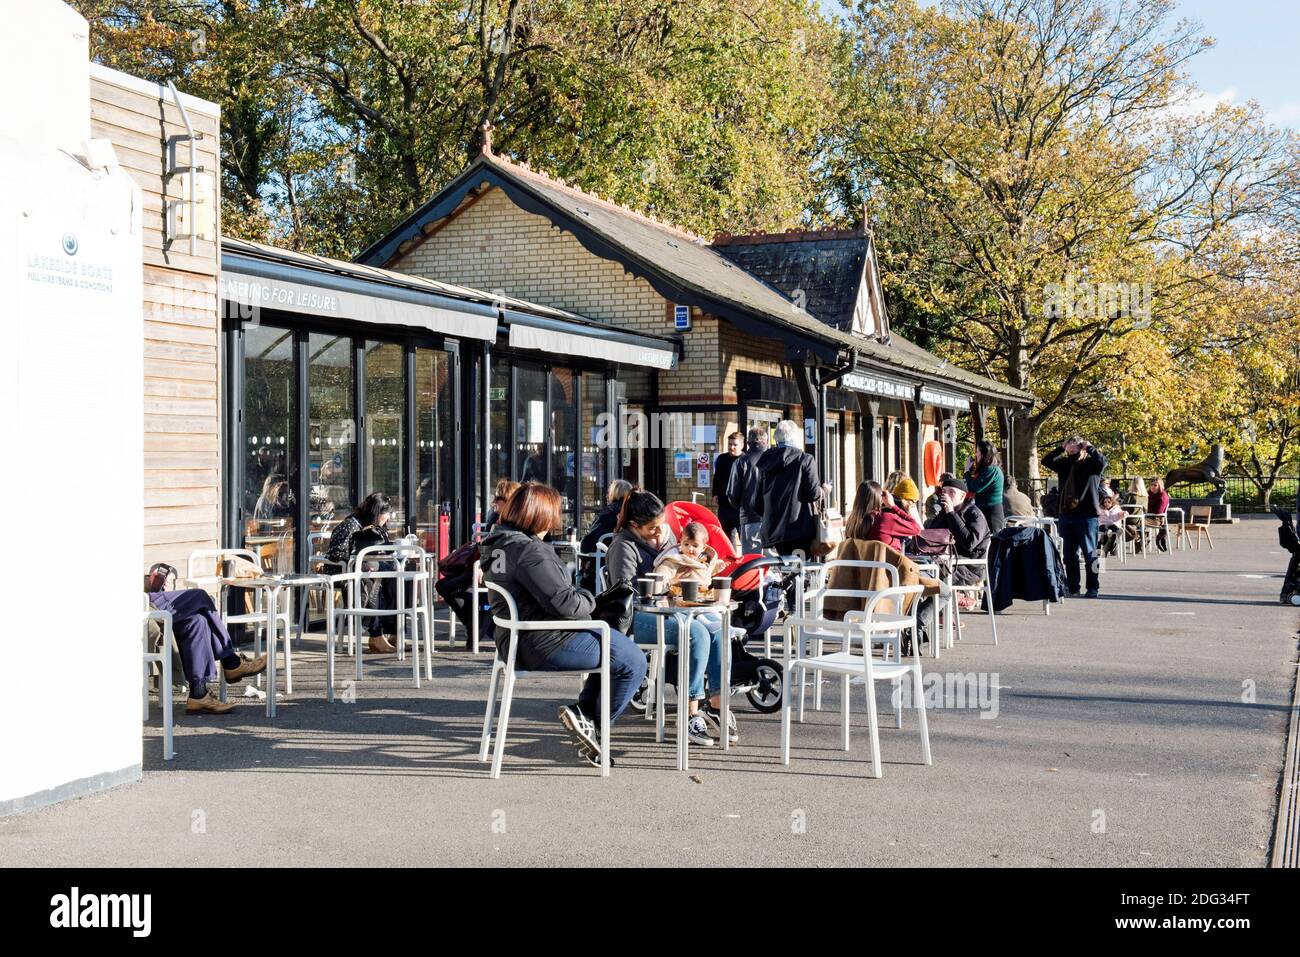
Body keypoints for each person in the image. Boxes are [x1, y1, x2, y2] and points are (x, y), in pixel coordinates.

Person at [480, 483, 646, 768]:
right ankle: (592, 723)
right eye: (553, 514)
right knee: (633, 661)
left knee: (615, 649)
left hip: (515, 639)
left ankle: (584, 716)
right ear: (540, 516)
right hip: (545, 640)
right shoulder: (529, 551)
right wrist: (591, 600)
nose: (556, 521)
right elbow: (566, 603)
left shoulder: (497, 545)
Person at [605, 490, 736, 746]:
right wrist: (671, 581)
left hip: (677, 610)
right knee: (695, 632)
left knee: (718, 630)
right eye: (652, 528)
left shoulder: (669, 540)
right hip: (637, 617)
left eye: (661, 524)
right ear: (634, 525)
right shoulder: (622, 546)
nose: (659, 532)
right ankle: (690, 713)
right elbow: (627, 592)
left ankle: (717, 705)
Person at [146, 566, 268, 714]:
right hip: (145, 604)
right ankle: (231, 662)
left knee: (197, 621)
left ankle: (198, 695)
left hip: (154, 606)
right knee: (201, 596)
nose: (165, 584)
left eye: (170, 581)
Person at [325, 492, 398, 653]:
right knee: (377, 579)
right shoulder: (351, 525)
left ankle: (394, 632)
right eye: (386, 514)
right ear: (376, 512)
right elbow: (334, 554)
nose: (388, 518)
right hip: (342, 572)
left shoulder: (373, 526)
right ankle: (376, 636)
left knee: (398, 577)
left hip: (363, 569)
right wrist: (360, 564)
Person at [1042, 435, 1108, 597]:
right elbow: (1046, 461)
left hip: (1087, 515)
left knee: (1091, 553)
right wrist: (1061, 448)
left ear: (1082, 449)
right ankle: (1073, 587)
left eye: (1075, 449)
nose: (1072, 453)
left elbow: (1103, 462)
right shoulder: (1065, 463)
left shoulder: (1091, 464)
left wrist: (1090, 447)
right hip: (1067, 513)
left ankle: (1093, 587)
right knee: (1069, 555)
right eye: (1069, 450)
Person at [756, 419, 828, 557]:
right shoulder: (805, 459)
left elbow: (757, 501)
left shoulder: (765, 461)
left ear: (776, 438)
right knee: (799, 571)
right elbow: (813, 494)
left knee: (786, 570)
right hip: (800, 528)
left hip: (774, 529)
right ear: (796, 437)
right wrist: (824, 490)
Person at [925, 478, 991, 605]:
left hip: (970, 566)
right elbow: (932, 536)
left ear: (962, 496)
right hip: (948, 560)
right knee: (919, 569)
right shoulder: (944, 512)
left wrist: (951, 513)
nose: (946, 495)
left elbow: (969, 543)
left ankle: (933, 615)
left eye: (951, 492)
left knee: (934, 572)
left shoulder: (974, 514)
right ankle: (939, 611)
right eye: (944, 491)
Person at [844, 480, 924, 552]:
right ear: (879, 498)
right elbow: (916, 529)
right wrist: (893, 506)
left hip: (861, 568)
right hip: (888, 567)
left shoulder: (851, 523)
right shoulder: (885, 519)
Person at [727, 427, 769, 553]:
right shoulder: (776, 459)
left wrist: (742, 508)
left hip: (750, 517)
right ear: (765, 441)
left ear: (748, 443)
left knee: (752, 562)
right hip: (774, 519)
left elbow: (732, 494)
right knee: (773, 563)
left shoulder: (741, 462)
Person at [964, 440, 1006, 533]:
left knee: (992, 541)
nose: (976, 454)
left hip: (991, 513)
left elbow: (974, 487)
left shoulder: (992, 470)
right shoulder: (989, 469)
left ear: (984, 454)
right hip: (986, 509)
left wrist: (966, 471)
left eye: (978, 451)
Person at [712, 431, 744, 537]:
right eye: (730, 444)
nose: (732, 447)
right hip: (724, 506)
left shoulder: (745, 460)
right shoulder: (721, 459)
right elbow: (716, 478)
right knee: (725, 537)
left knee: (743, 537)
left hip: (739, 507)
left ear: (742, 445)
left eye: (735, 445)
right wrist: (715, 494)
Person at [1146, 477, 1170, 551]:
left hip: (1157, 519)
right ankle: (1142, 539)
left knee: (1137, 522)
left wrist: (1146, 510)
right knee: (1134, 520)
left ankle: (1143, 540)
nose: (1153, 486)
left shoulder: (1162, 495)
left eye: (1155, 485)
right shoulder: (1149, 494)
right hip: (1148, 516)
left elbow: (1158, 511)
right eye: (1151, 485)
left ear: (1160, 486)